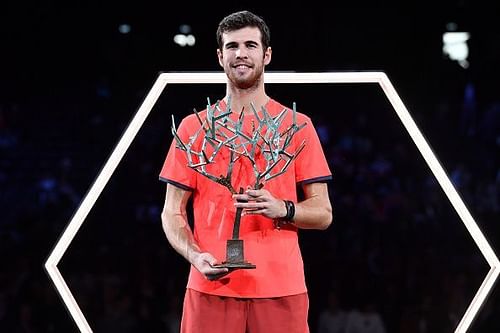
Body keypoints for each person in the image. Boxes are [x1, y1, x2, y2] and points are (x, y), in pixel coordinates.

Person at [159, 10, 332, 333]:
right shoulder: (192, 127)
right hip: (211, 287)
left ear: (266, 55)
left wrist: (284, 208)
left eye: (251, 45)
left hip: (281, 288)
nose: (241, 53)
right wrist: (196, 257)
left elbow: (323, 213)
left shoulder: (297, 126)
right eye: (233, 46)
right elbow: (172, 212)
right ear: (220, 55)